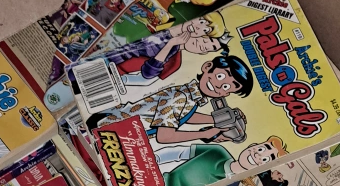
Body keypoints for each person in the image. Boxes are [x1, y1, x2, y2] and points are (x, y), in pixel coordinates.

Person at [98, 53, 254, 147]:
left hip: (118, 132)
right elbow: (164, 136)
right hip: (109, 130)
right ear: (207, 67)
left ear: (226, 94)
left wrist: (217, 120)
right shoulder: (180, 96)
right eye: (220, 76)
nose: (219, 85)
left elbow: (182, 115)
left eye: (227, 87)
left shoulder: (189, 96)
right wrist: (205, 134)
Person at [158, 138, 286, 186]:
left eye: (265, 159)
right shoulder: (217, 151)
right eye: (261, 149)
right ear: (252, 145)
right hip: (159, 184)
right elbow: (179, 153)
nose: (258, 155)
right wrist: (154, 159)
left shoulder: (233, 185)